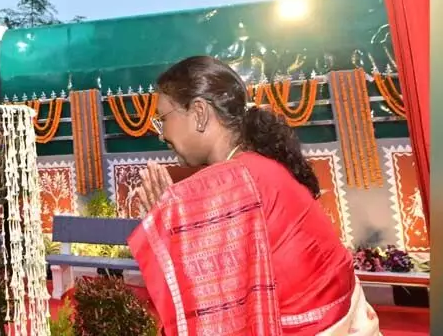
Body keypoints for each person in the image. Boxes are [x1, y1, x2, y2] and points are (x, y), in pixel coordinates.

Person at [129, 56, 380, 336]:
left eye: (163, 119)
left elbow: (213, 309)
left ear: (199, 113)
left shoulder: (232, 182)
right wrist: (173, 223)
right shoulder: (260, 165)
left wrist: (168, 227)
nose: (162, 134)